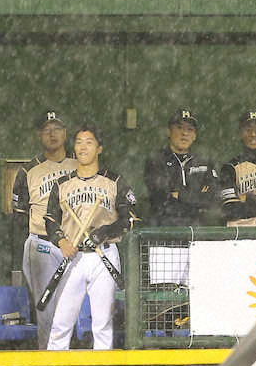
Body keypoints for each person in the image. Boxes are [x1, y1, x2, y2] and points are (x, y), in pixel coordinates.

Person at [45, 125, 136, 350]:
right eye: (78, 142)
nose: (82, 147)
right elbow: (49, 219)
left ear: (99, 148)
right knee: (61, 322)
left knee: (102, 322)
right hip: (72, 255)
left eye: (89, 142)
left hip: (103, 254)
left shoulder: (114, 181)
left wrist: (104, 232)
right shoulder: (62, 184)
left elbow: (129, 218)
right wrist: (61, 241)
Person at [11, 110, 79, 349]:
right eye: (47, 129)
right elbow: (19, 217)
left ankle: (68, 356)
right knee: (47, 309)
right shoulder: (28, 170)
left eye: (57, 128)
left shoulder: (80, 164)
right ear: (39, 134)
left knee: (71, 307)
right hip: (41, 243)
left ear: (66, 133)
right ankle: (49, 360)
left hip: (73, 244)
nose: (52, 134)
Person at [143, 108, 217, 227]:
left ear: (194, 136)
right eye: (179, 127)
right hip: (164, 231)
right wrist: (196, 201)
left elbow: (212, 197)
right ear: (169, 132)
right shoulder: (156, 160)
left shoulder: (204, 161)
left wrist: (179, 195)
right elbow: (162, 199)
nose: (185, 133)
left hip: (198, 230)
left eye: (190, 129)